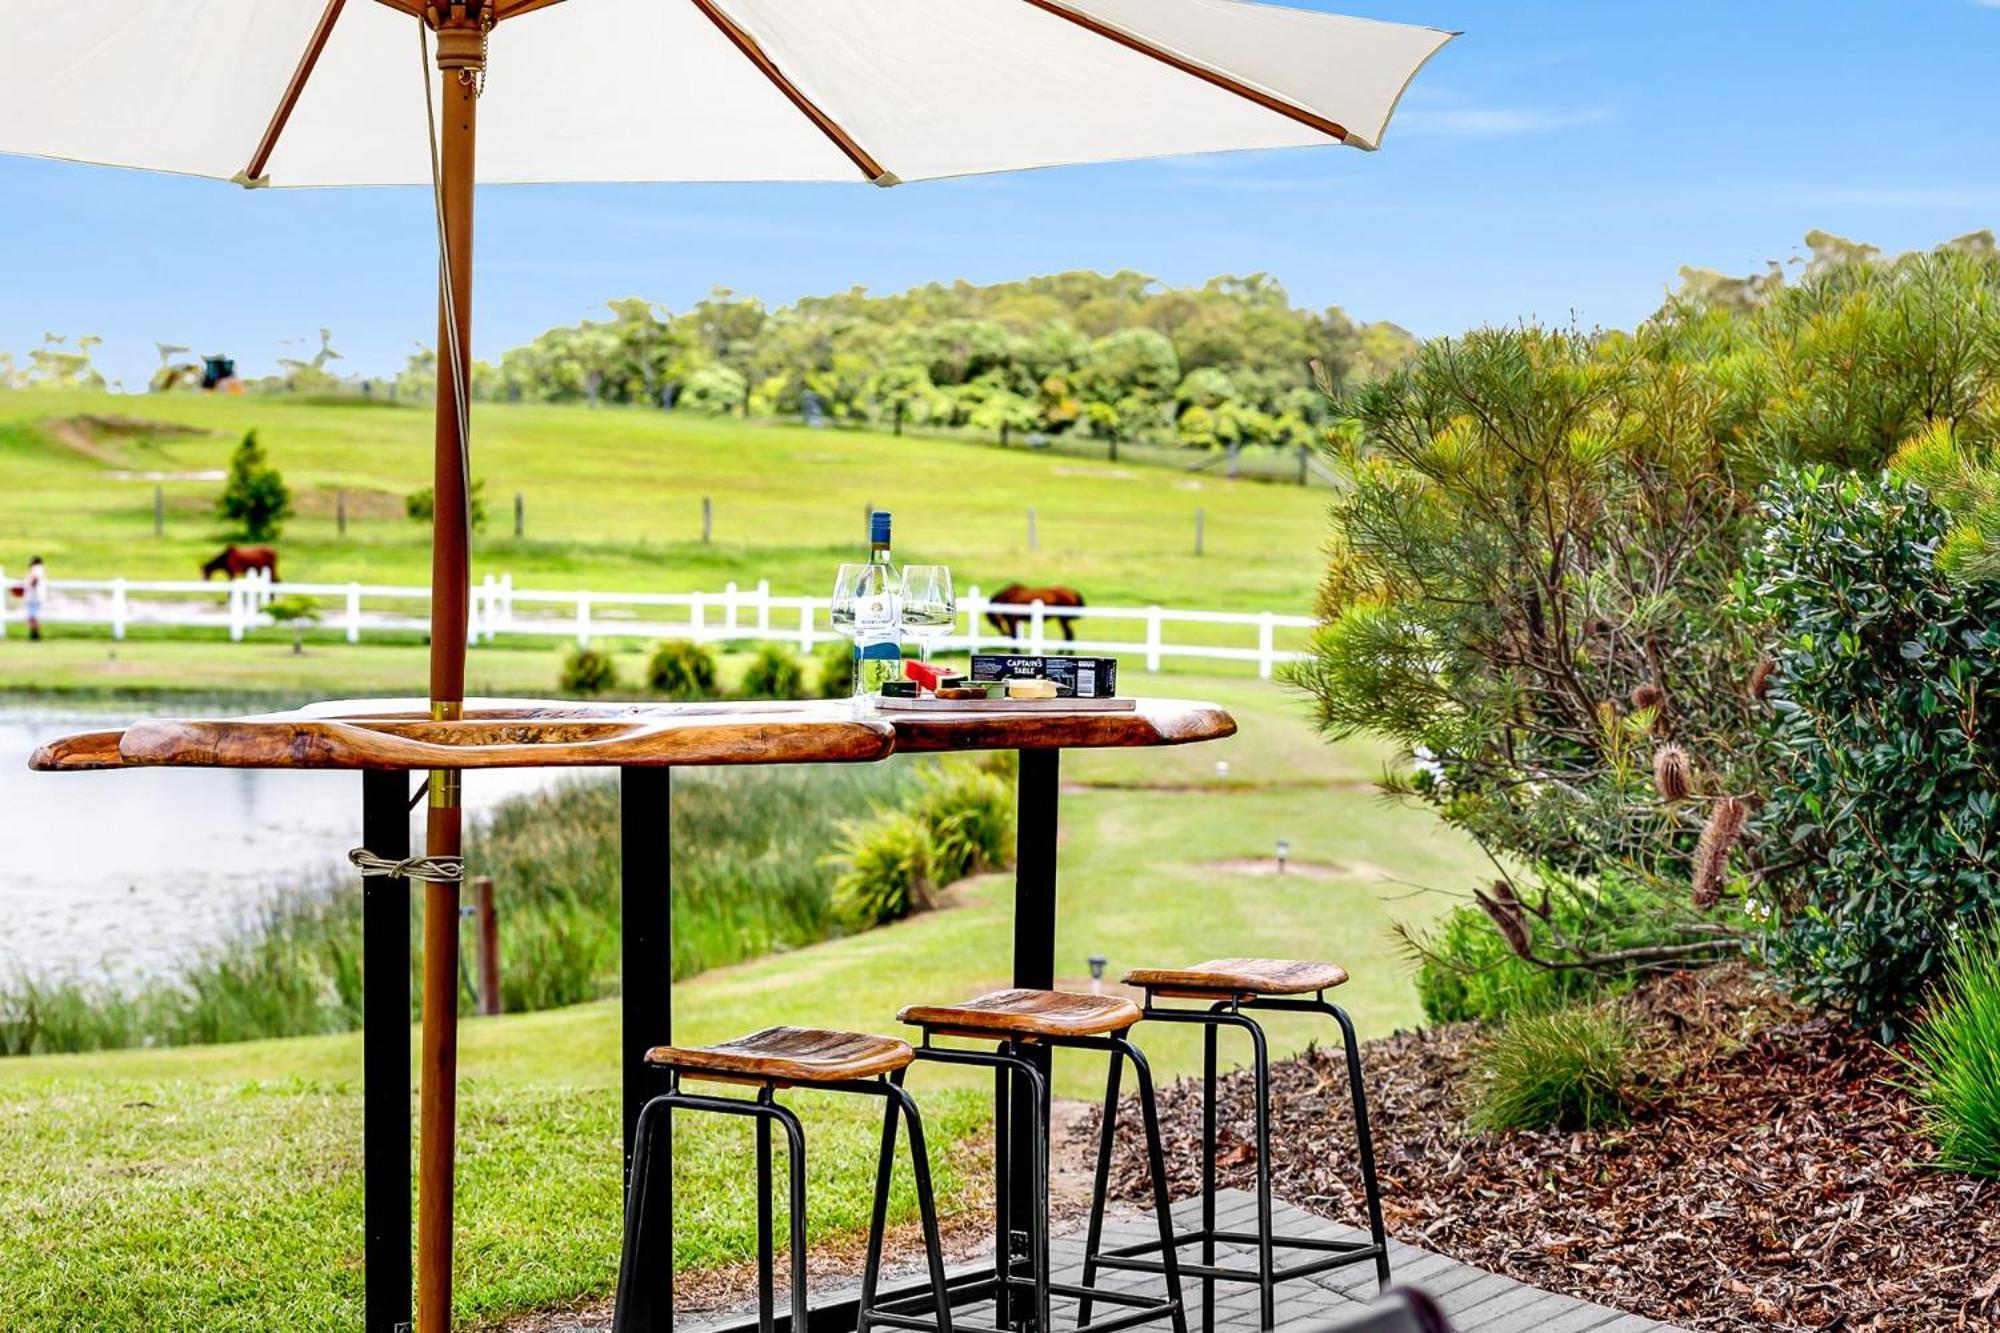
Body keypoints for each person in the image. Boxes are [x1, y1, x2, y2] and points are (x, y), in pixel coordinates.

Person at [22, 555, 46, 641]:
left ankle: (35, 635)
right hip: (35, 596)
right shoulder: (39, 569)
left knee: (32, 616)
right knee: (33, 616)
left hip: (34, 596)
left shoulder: (37, 568)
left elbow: (34, 580)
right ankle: (34, 634)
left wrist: (29, 585)